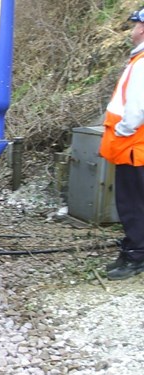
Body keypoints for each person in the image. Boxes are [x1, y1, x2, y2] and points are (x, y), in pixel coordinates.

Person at [99, 6, 144, 280]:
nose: (133, 30)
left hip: (132, 147)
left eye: (136, 25)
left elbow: (137, 108)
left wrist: (122, 129)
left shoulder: (142, 64)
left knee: (132, 205)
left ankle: (135, 256)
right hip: (137, 148)